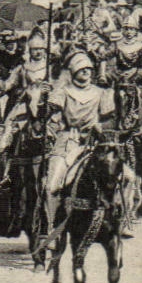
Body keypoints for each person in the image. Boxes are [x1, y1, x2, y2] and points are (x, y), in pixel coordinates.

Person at [36, 51, 117, 261]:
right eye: (82, 70)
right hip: (68, 141)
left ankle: (120, 219)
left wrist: (100, 126)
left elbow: (110, 120)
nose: (87, 73)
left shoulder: (101, 92)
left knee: (125, 176)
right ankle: (53, 228)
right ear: (73, 72)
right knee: (52, 186)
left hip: (94, 144)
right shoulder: (62, 92)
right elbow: (46, 116)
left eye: (89, 69)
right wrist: (44, 99)